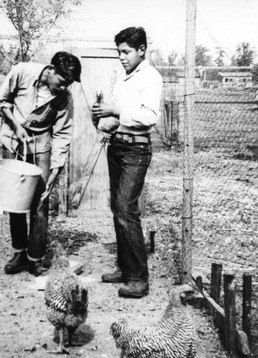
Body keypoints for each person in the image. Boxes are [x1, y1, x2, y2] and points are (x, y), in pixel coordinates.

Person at [91, 27, 162, 298]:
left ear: (141, 50)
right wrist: (102, 115)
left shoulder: (151, 77)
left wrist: (116, 109)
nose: (121, 57)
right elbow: (117, 117)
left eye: (126, 52)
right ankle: (125, 267)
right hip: (117, 146)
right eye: (118, 52)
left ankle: (139, 278)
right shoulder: (123, 77)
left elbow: (149, 116)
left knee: (126, 209)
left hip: (137, 150)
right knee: (117, 208)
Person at [0, 51, 82, 276]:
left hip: (41, 144)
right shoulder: (22, 72)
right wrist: (16, 126)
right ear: (51, 69)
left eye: (69, 84)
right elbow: (3, 101)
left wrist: (55, 168)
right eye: (62, 82)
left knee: (41, 202)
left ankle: (35, 257)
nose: (64, 88)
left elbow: (62, 133)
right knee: (16, 199)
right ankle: (19, 253)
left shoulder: (65, 97)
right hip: (14, 141)